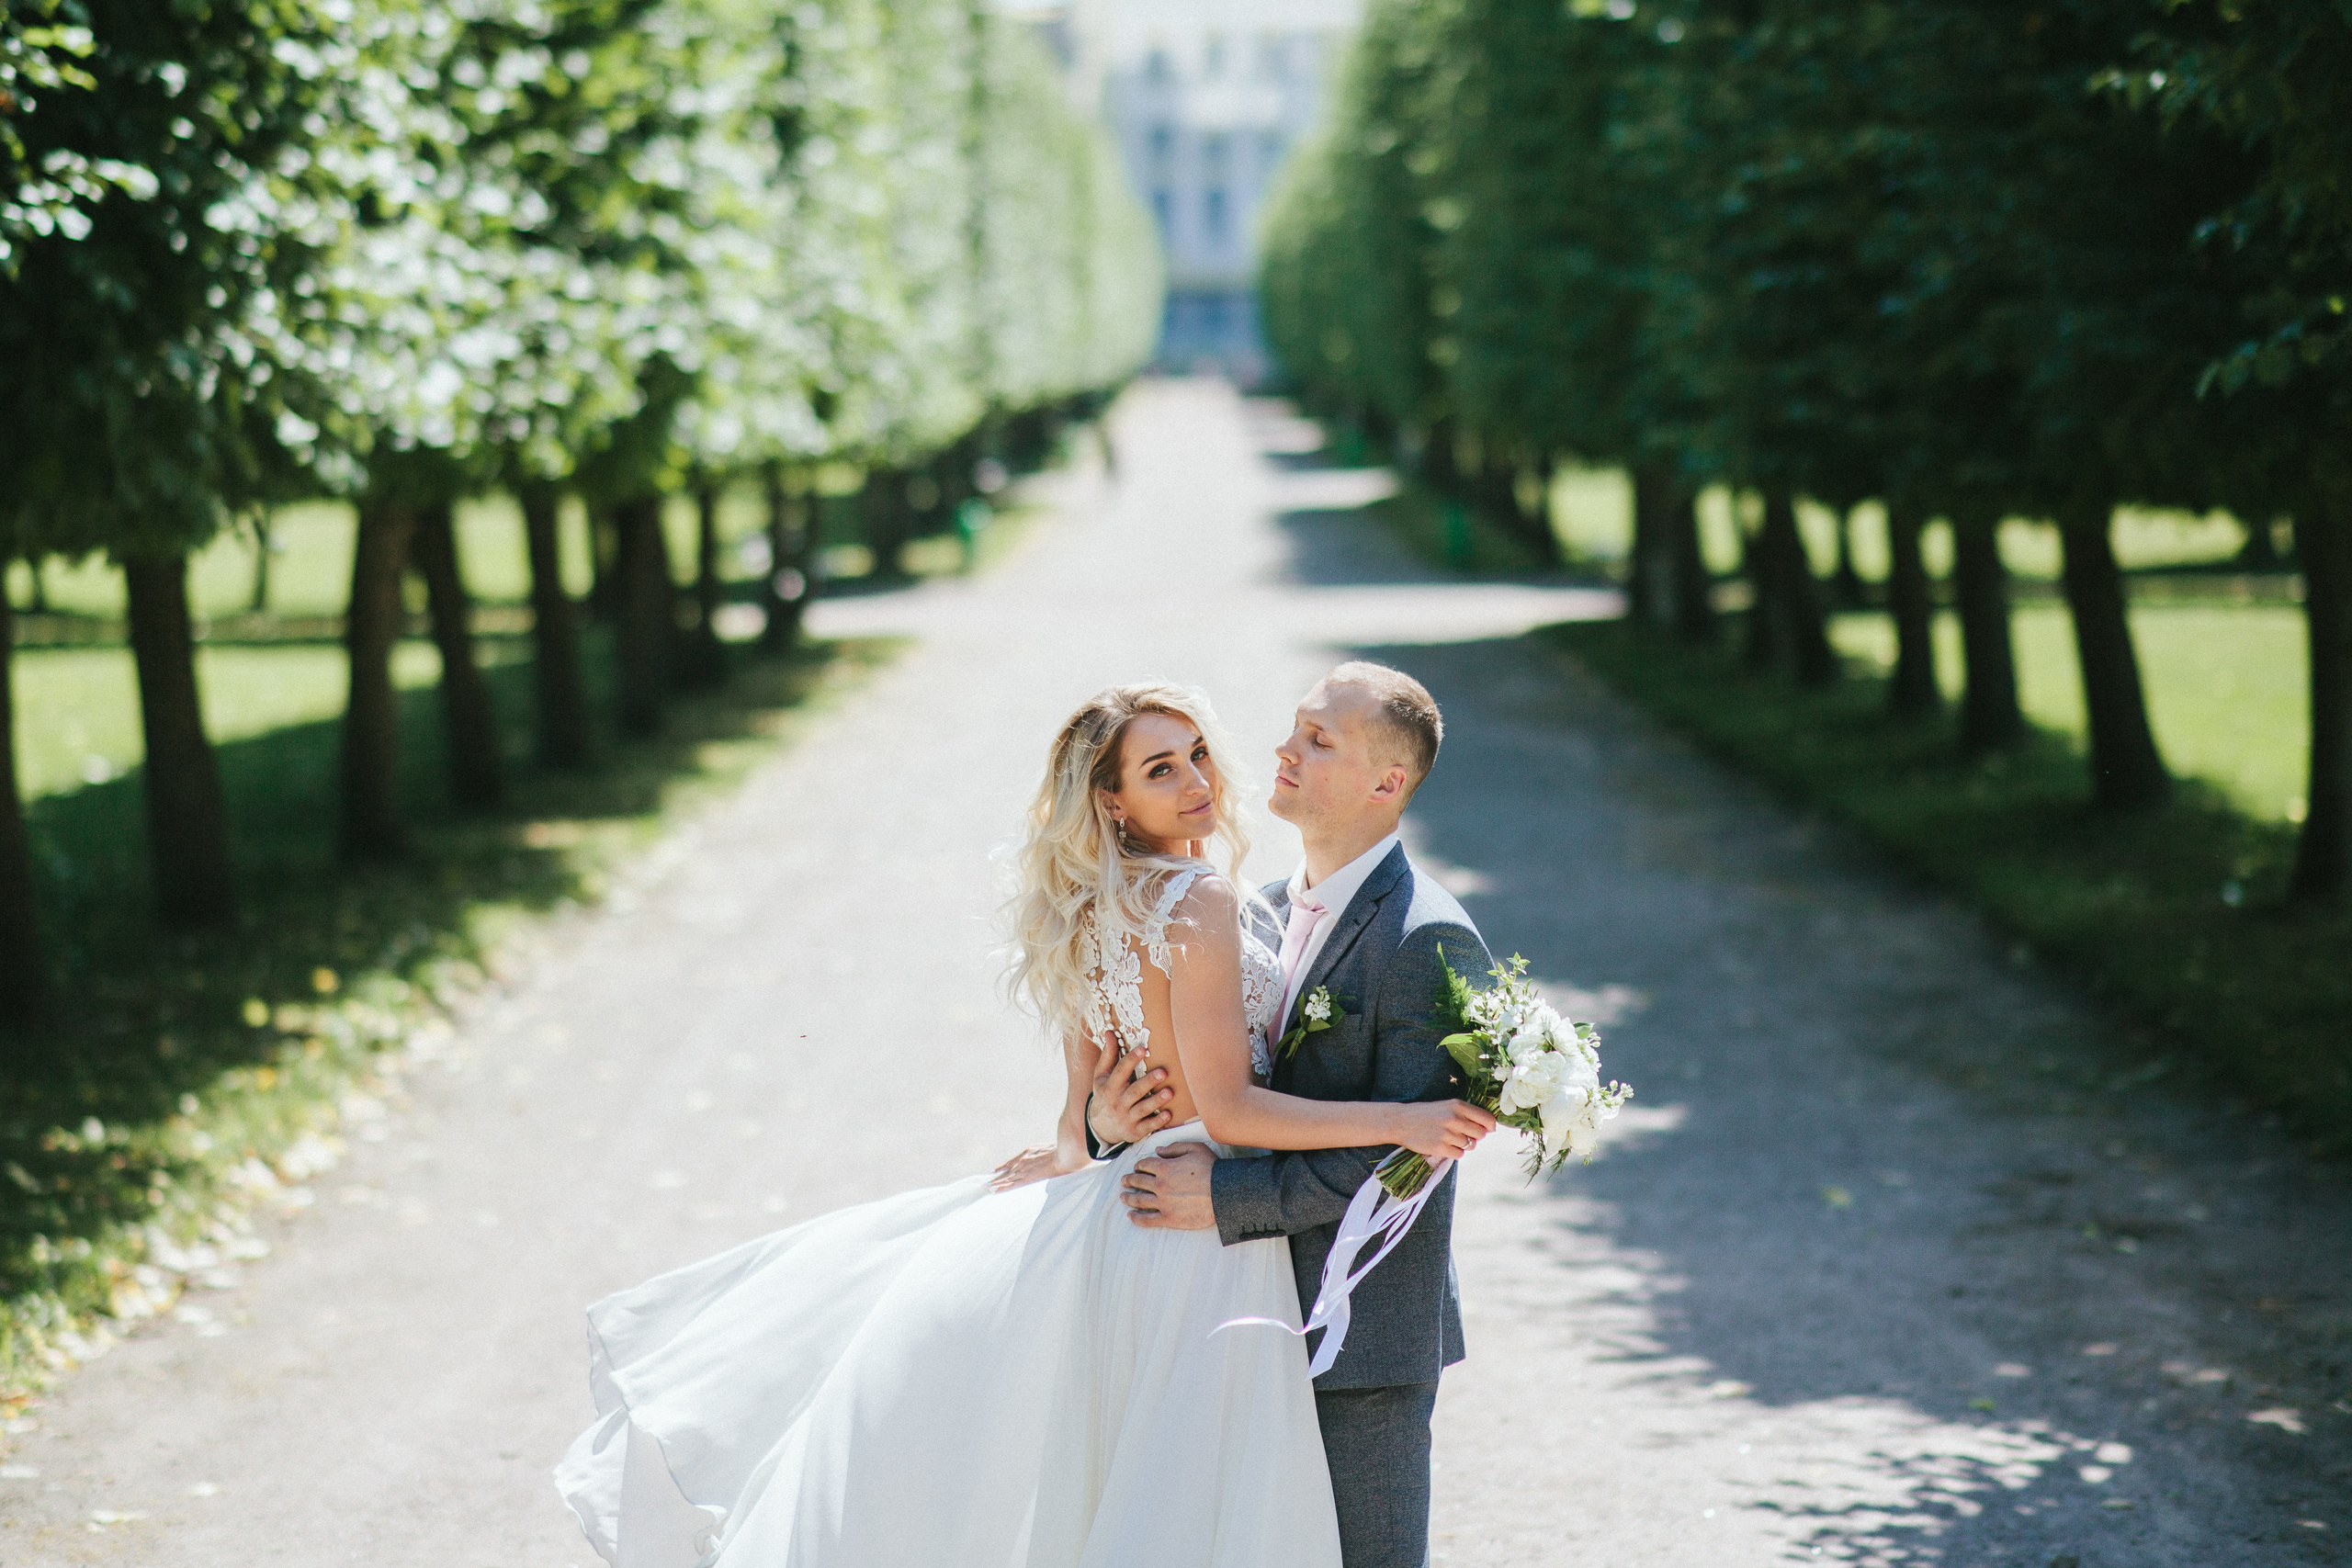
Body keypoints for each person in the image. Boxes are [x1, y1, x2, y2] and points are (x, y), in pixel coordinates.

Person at [553, 681, 1494, 1568]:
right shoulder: (1204, 899)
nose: (1201, 778)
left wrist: (1100, 1124)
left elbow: (1075, 1129)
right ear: (1113, 803)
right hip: (1196, 1238)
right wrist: (1406, 1118)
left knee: (1114, 1490)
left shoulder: (1106, 908)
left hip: (1158, 1217)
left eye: (1197, 754)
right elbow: (1222, 1106)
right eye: (1161, 768)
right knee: (1202, 1504)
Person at [1109, 661, 1492, 1568]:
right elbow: (1187, 1076)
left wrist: (1226, 1198)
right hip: (1229, 1311)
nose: (1283, 748)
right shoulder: (1262, 912)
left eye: (1318, 739)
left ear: (1385, 783)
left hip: (1355, 1338)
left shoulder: (1423, 937)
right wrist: (1103, 1115)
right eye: (1294, 728)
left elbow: (1402, 1165)